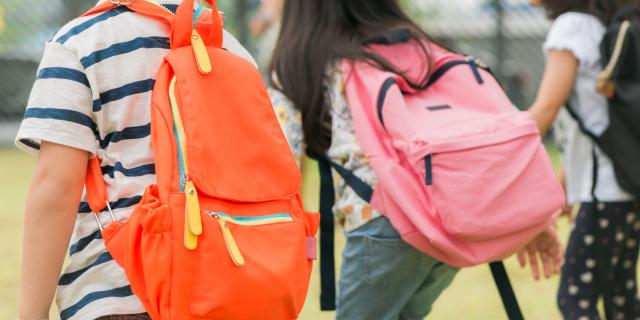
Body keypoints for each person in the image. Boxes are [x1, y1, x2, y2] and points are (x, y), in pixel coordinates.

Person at [268, 0, 563, 318]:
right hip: (442, 219)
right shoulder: (420, 46)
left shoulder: (300, 63)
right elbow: (479, 131)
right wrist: (525, 219)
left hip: (381, 220)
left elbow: (281, 161)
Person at [15, 1, 254, 319]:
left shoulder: (80, 44)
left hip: (120, 290)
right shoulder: (228, 47)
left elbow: (56, 187)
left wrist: (31, 314)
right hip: (225, 289)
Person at [528, 0, 640, 318]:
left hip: (603, 194)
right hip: (626, 187)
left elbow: (546, 110)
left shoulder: (572, 27)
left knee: (576, 300)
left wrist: (495, 159)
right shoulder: (605, 23)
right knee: (621, 297)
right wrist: (564, 183)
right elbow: (596, 120)